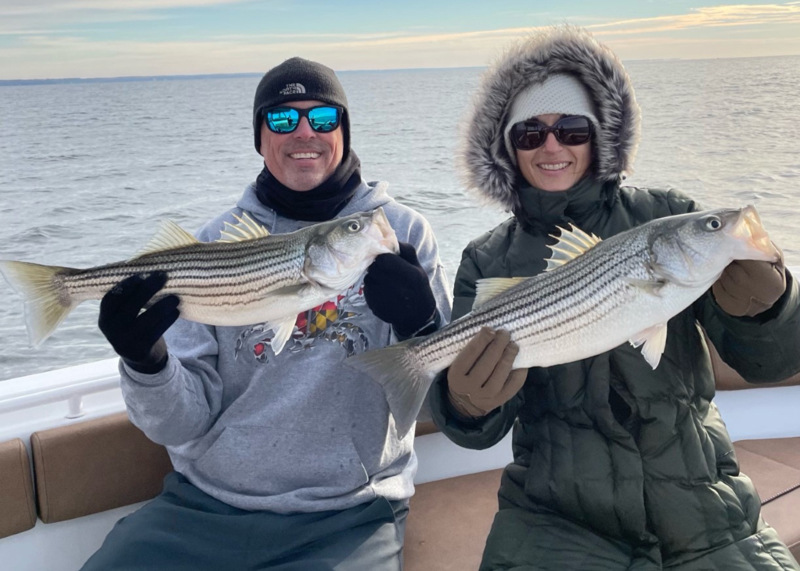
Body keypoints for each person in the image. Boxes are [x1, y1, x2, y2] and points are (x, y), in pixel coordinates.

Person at [429, 26, 800, 571]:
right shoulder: (488, 259)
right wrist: (463, 405)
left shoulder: (664, 216)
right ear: (507, 147)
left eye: (571, 129)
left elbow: (771, 363)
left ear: (600, 135)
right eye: (530, 133)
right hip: (551, 523)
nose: (552, 146)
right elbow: (480, 432)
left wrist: (771, 311)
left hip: (708, 510)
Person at [81, 57, 451, 571]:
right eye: (282, 119)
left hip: (348, 513)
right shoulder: (213, 247)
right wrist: (146, 362)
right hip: (205, 505)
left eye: (323, 118)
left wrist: (421, 327)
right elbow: (180, 422)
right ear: (260, 137)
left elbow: (445, 407)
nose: (305, 132)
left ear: (343, 131)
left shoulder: (401, 234)